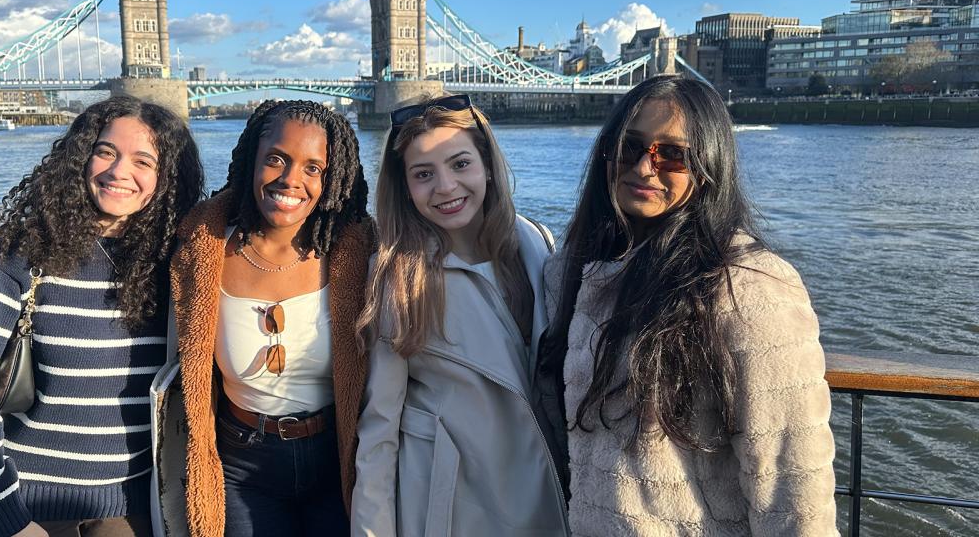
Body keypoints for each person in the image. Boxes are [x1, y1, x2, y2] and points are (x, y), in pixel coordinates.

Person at [533, 75, 838, 536]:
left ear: (709, 163)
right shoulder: (569, 273)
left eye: (671, 154)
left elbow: (792, 486)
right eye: (630, 146)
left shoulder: (746, 286)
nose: (643, 168)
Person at [0, 96, 204, 537]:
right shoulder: (20, 251)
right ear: (80, 158)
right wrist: (9, 518)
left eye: (143, 161)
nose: (118, 172)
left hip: (132, 511)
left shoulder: (177, 263)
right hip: (22, 510)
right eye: (105, 152)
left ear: (167, 178)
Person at [153, 100, 374, 537]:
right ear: (251, 159)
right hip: (242, 467)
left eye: (314, 168)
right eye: (276, 159)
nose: (292, 180)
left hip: (339, 459)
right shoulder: (202, 252)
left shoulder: (360, 255)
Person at [351, 94, 567, 537]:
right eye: (423, 174)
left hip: (547, 496)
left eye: (460, 164)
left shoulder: (538, 246)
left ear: (487, 163)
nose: (446, 187)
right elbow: (379, 432)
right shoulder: (398, 277)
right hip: (454, 510)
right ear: (405, 186)